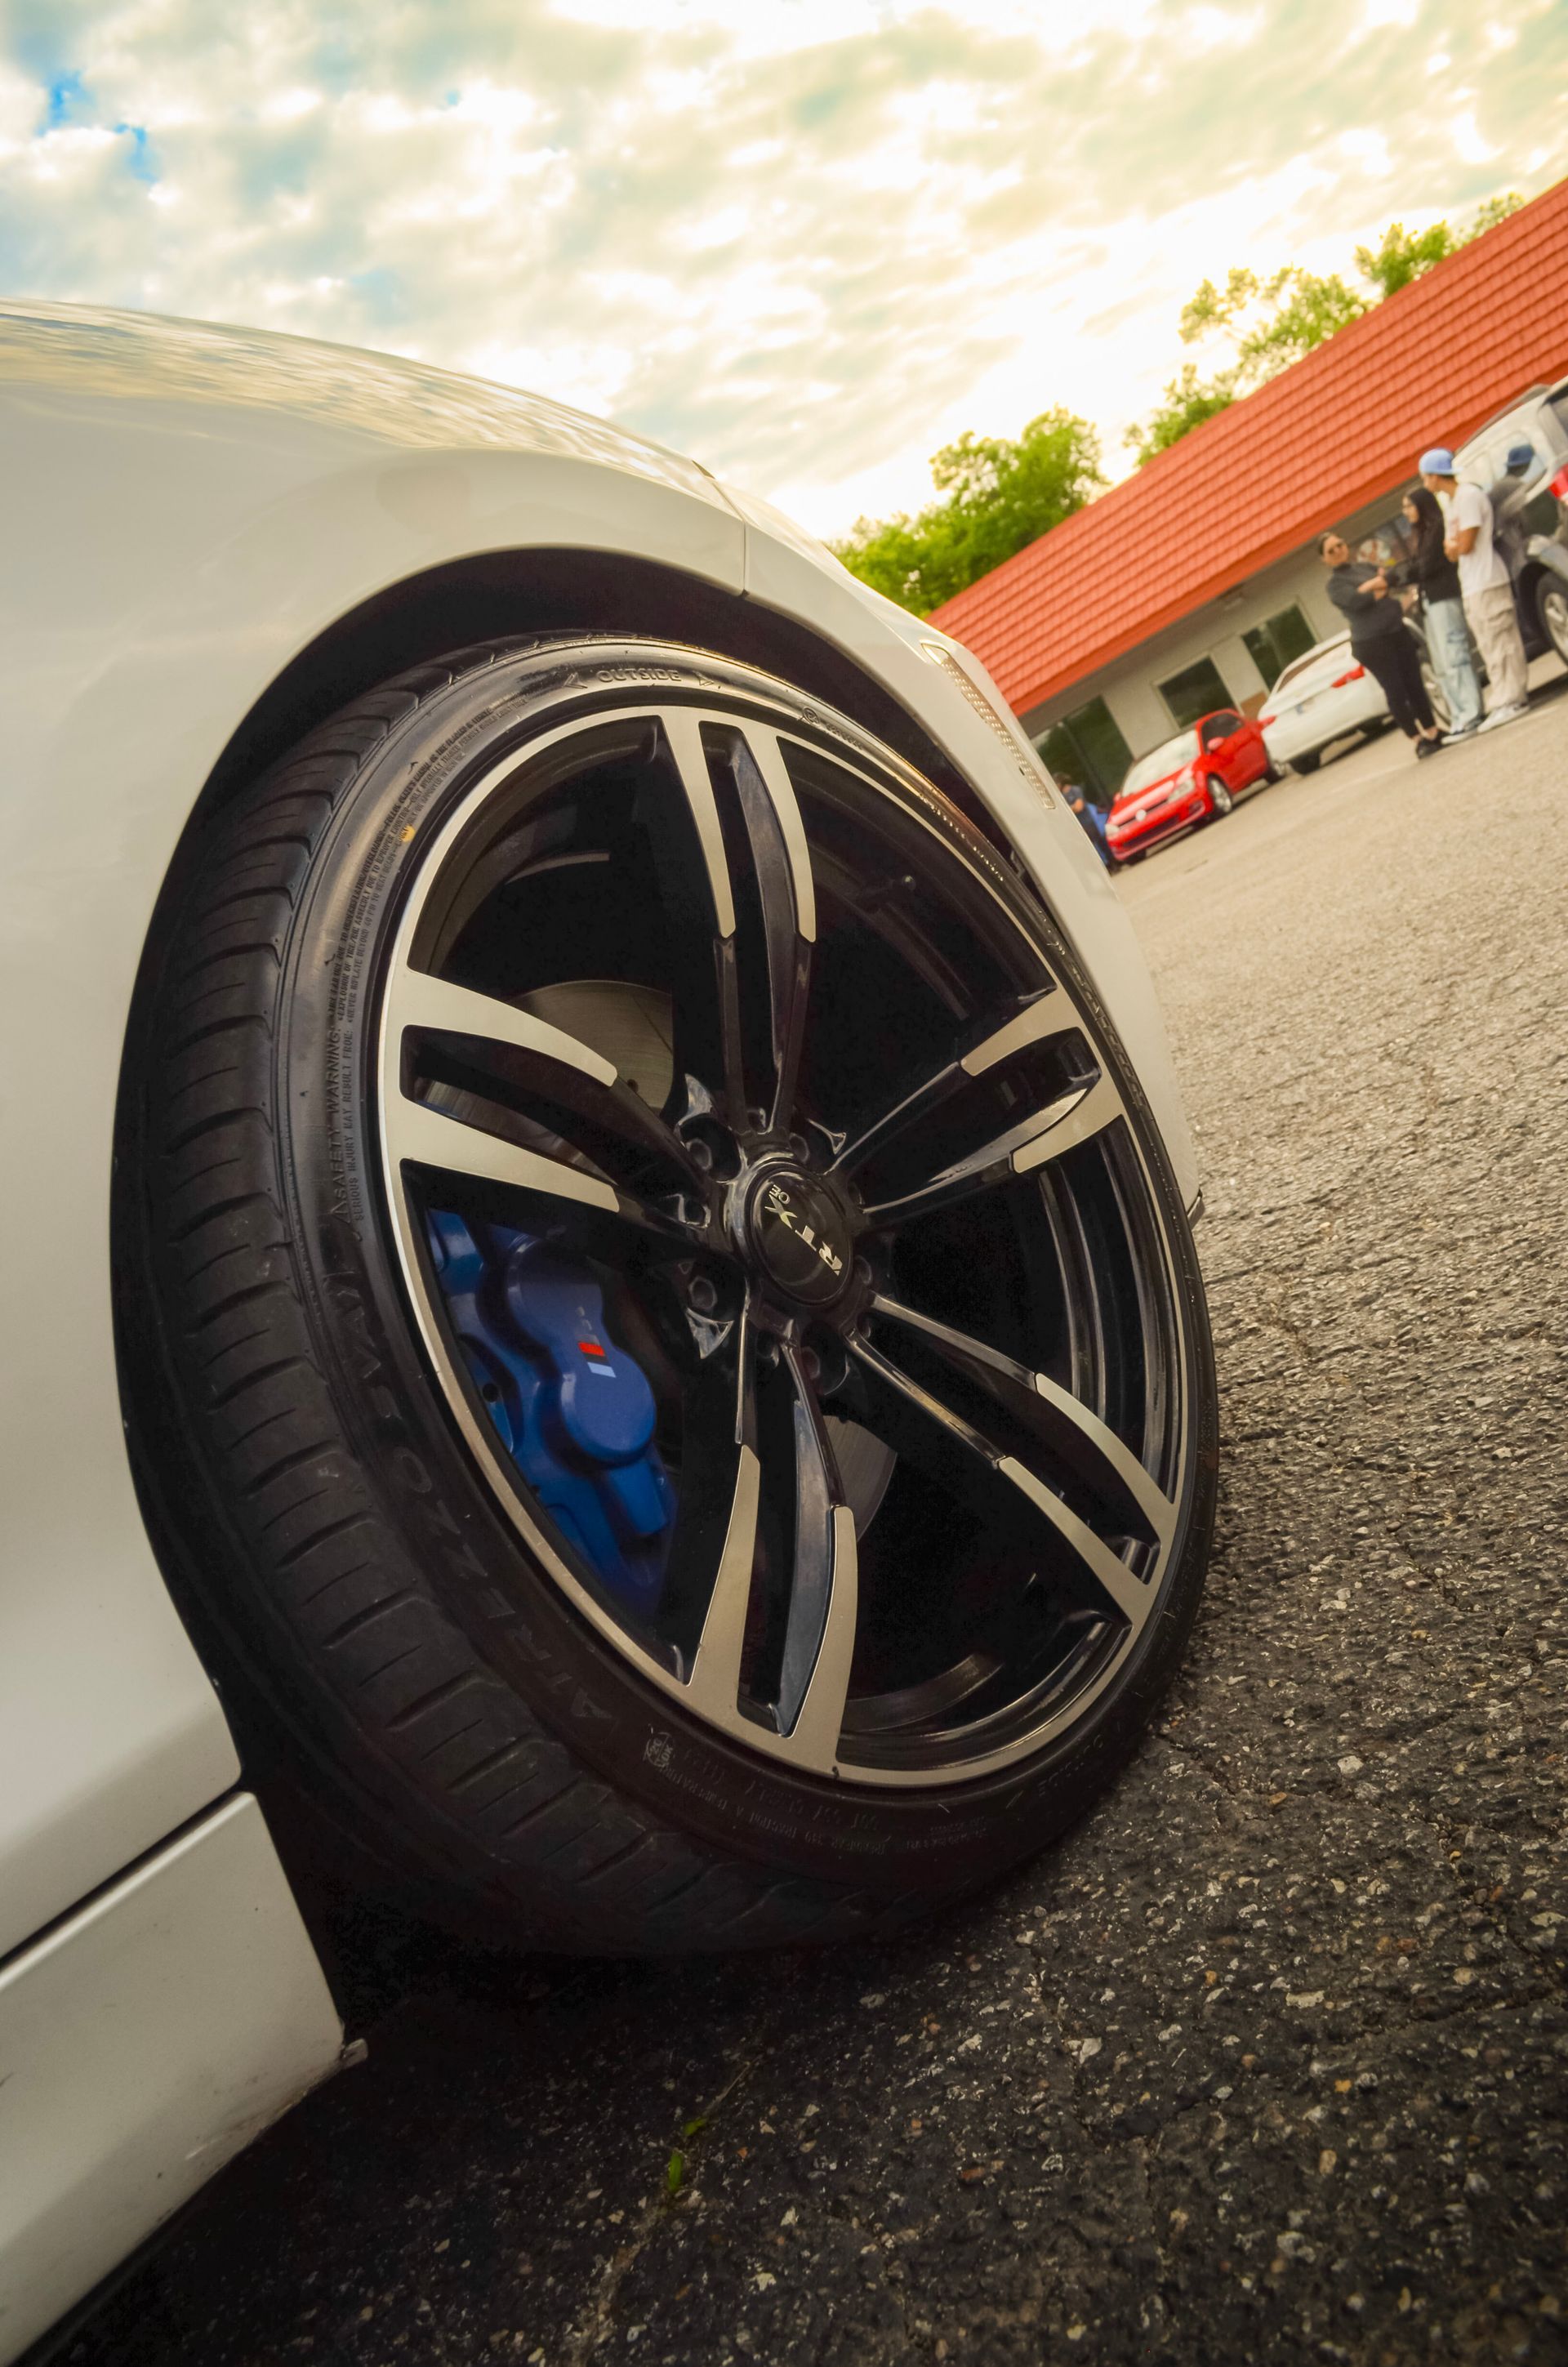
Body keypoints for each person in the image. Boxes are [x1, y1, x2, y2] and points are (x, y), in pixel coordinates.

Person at [1419, 446, 1529, 729]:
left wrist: (1455, 545)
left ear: (1435, 475)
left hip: (1488, 578)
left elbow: (1464, 545)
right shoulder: (1452, 504)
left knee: (1502, 640)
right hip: (1471, 583)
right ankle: (1503, 698)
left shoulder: (1468, 496)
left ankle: (1514, 698)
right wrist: (1455, 546)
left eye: (1425, 477)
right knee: (1488, 644)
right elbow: (1450, 551)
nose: (1425, 483)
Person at [1316, 529, 1445, 757]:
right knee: (1395, 690)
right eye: (1331, 551)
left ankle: (1433, 731)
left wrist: (1371, 586)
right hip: (1372, 643)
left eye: (1339, 545)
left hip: (1397, 631)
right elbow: (1356, 602)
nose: (1338, 551)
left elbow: (1392, 578)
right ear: (1324, 559)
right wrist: (1377, 586)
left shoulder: (1364, 567)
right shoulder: (1334, 585)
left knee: (1414, 683)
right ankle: (1418, 739)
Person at [1379, 487, 1482, 738]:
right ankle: (1459, 716)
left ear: (1421, 505)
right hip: (1429, 602)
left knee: (1454, 654)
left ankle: (1471, 713)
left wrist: (1392, 579)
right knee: (1441, 663)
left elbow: (1424, 567)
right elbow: (1417, 567)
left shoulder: (1438, 529)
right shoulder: (1420, 534)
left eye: (1409, 506)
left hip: (1444, 597)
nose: (1405, 512)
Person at [1062, 778, 1114, 867]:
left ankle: (1111, 863)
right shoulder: (1062, 796)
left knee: (1099, 842)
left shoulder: (1075, 790)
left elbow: (1079, 807)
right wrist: (1073, 808)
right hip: (1078, 826)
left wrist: (1071, 808)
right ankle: (1105, 865)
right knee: (1091, 847)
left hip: (1088, 822)